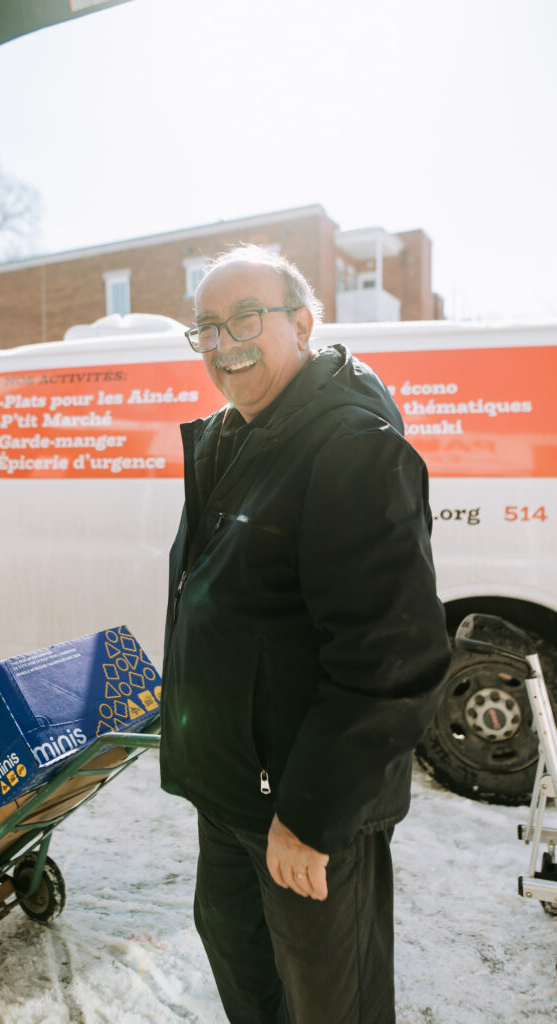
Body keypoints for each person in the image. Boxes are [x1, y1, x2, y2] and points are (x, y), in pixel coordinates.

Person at [159, 245, 451, 1024]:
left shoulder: (347, 445)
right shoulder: (233, 436)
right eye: (206, 328)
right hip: (230, 802)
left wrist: (310, 819)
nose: (223, 344)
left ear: (302, 322)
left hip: (298, 815)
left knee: (330, 1007)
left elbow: (393, 661)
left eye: (244, 318)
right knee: (249, 987)